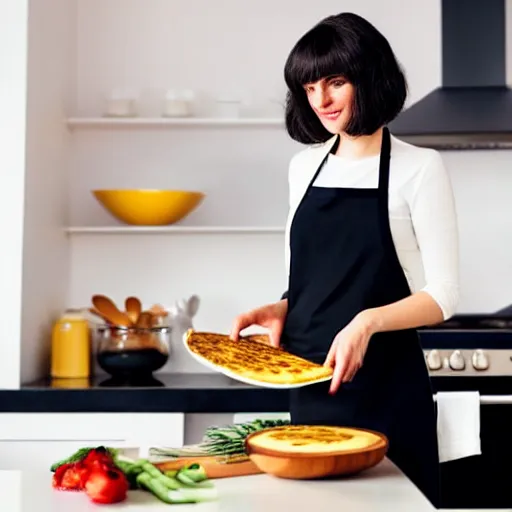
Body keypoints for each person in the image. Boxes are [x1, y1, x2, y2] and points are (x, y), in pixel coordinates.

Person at [230, 12, 459, 507]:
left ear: (369, 77)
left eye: (336, 82)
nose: (322, 102)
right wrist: (283, 307)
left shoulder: (419, 168)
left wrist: (365, 324)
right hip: (310, 384)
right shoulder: (302, 168)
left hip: (387, 388)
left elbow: (444, 296)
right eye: (309, 88)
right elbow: (315, 277)